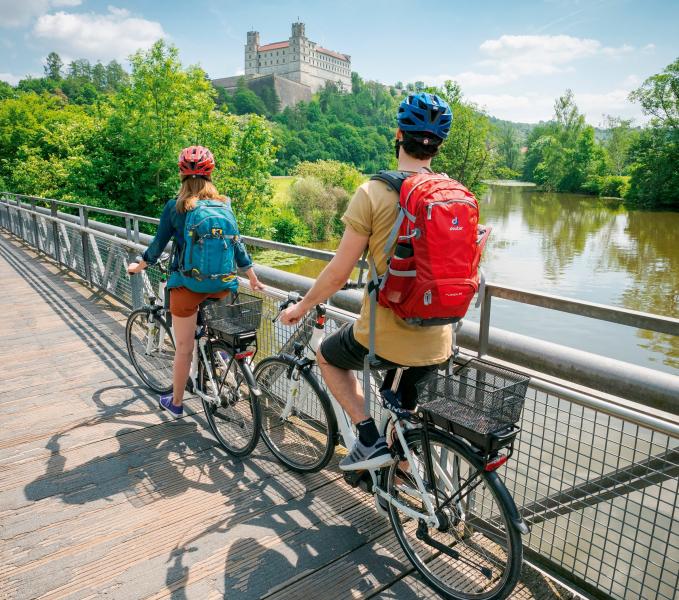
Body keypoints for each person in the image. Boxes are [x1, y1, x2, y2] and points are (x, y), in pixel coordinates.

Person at [281, 93, 453, 470]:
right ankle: (402, 481)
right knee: (402, 418)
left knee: (327, 356)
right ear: (438, 146)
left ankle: (368, 438)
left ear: (398, 135)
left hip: (386, 336)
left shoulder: (373, 192)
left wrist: (303, 306)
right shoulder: (452, 194)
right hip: (439, 340)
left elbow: (338, 273)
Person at [127, 145, 264, 417]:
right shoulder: (224, 205)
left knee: (184, 348)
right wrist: (252, 276)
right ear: (210, 174)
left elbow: (157, 246)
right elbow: (236, 244)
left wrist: (139, 266)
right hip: (223, 285)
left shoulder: (175, 207)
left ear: (181, 174)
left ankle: (176, 404)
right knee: (220, 329)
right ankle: (223, 356)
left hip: (187, 287)